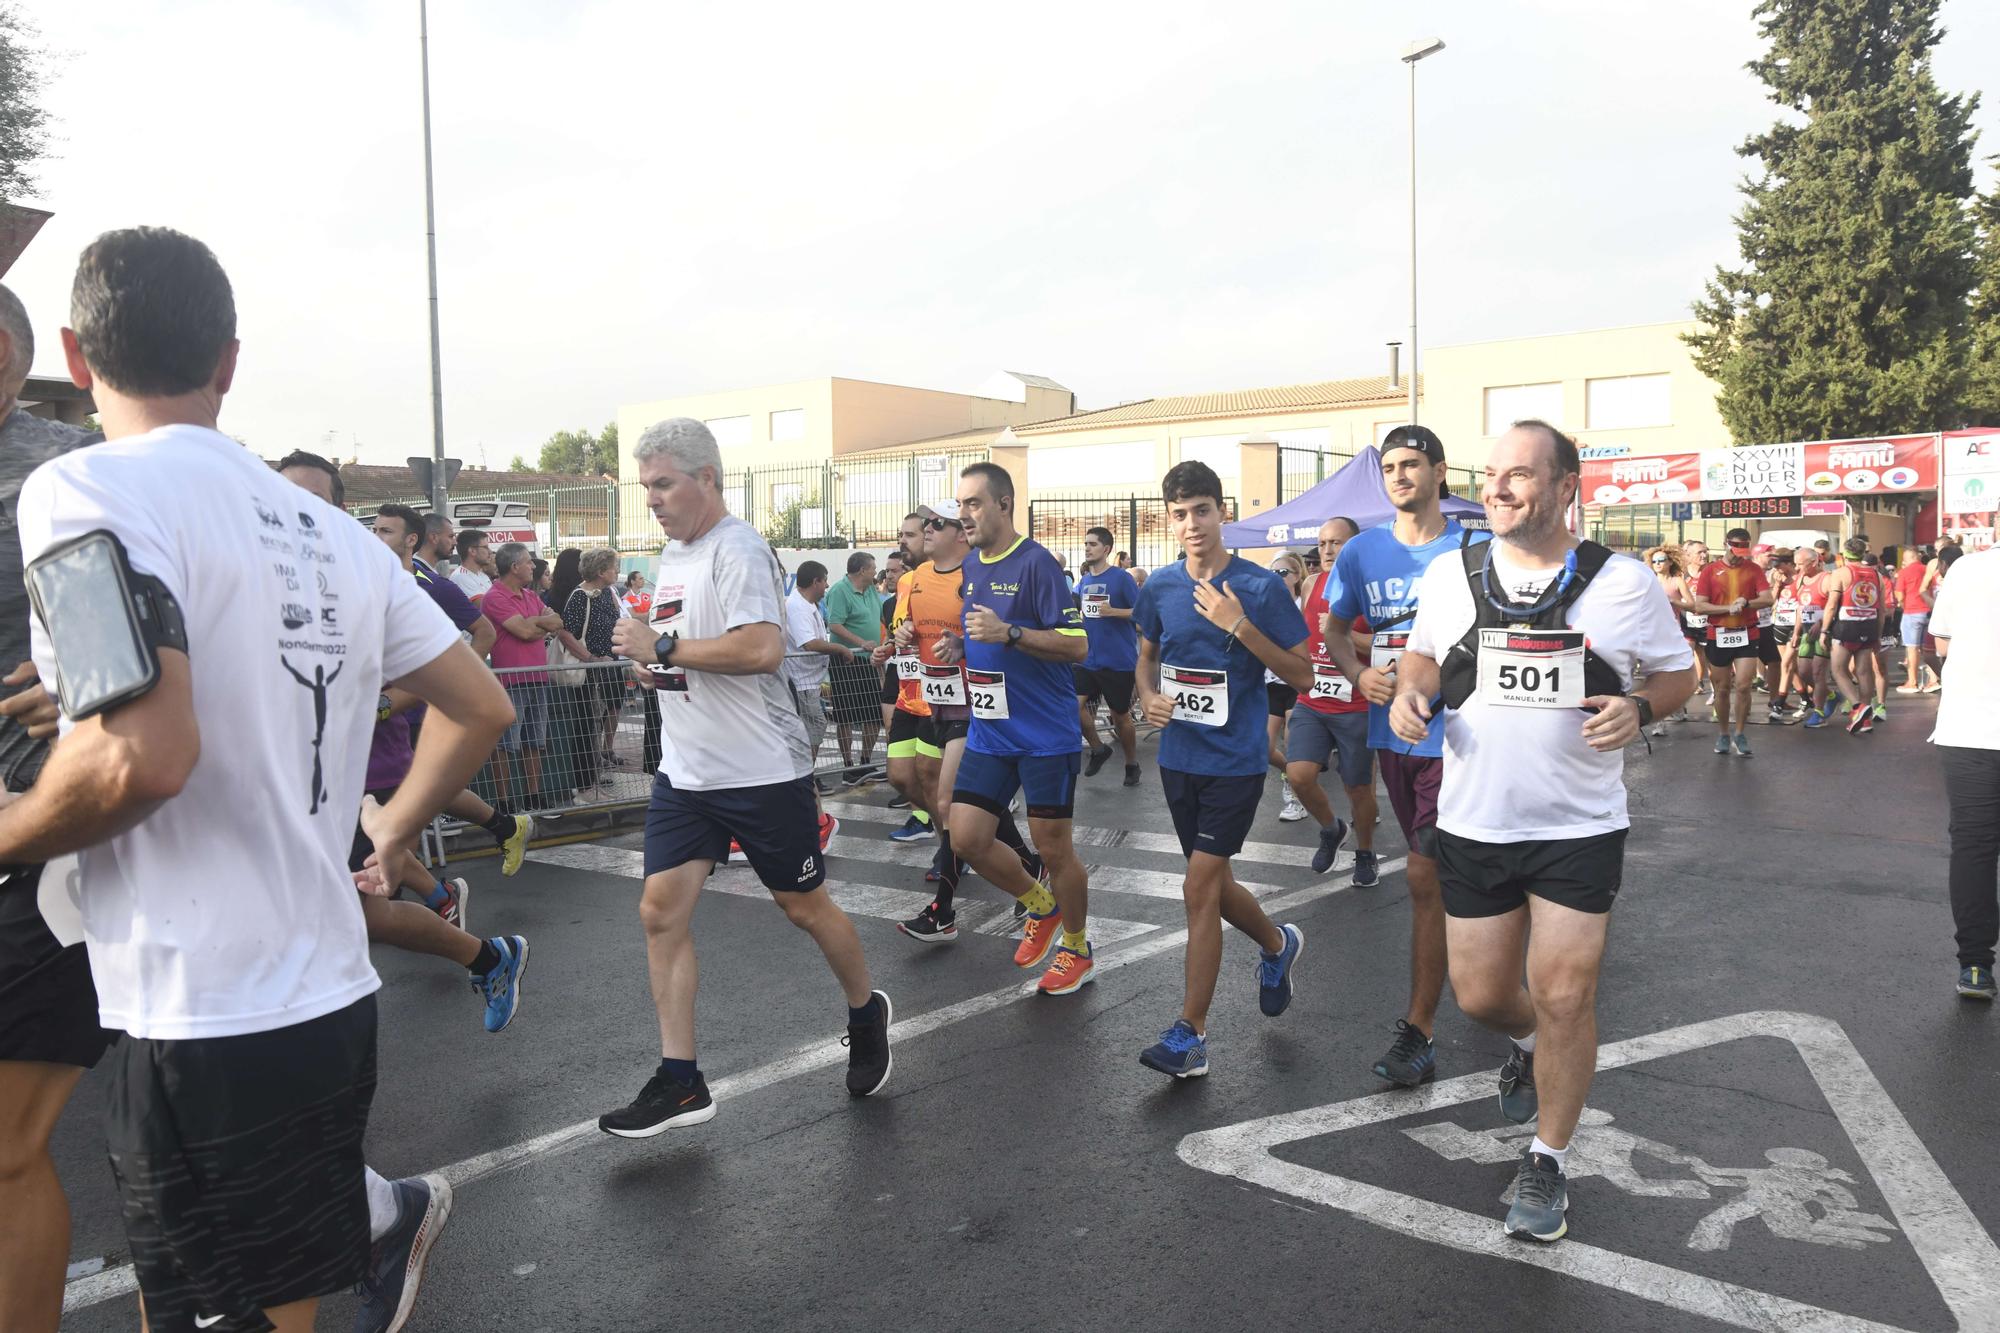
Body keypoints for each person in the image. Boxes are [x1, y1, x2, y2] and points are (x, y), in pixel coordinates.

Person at [7, 226, 515, 1332]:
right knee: (221, 1297)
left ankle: (388, 1220)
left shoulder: (76, 488)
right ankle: (389, 1220)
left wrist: (9, 826)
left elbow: (142, 755)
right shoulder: (330, 530)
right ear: (228, 361)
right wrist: (392, 838)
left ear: (76, 353)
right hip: (320, 985)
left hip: (203, 997)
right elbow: (480, 705)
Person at [1390, 420, 1696, 1241]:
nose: (1496, 487)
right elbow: (1422, 658)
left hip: (1579, 825)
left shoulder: (1625, 583)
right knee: (1484, 994)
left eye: (1519, 474)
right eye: (1491, 473)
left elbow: (1681, 674)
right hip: (1476, 820)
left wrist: (1639, 708)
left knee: (1566, 994)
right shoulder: (1452, 572)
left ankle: (1549, 1158)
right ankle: (1527, 1042)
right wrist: (1407, 693)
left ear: (1566, 488)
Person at [600, 419, 890, 1136]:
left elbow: (761, 650)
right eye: (646, 488)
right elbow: (691, 650)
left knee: (804, 908)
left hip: (760, 772)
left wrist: (664, 643)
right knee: (660, 912)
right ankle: (680, 1079)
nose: (654, 501)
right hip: (687, 773)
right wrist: (654, 662)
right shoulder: (673, 553)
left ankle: (866, 1011)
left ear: (707, 478)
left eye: (664, 484)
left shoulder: (740, 548)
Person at [0, 282, 111, 1333]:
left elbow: (152, 652)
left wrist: (79, 680)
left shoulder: (61, 476)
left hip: (47, 850)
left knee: (6, 1146)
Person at [1319, 424, 1489, 1088]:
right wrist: (1359, 674)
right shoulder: (1360, 553)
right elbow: (1336, 628)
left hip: (1464, 737)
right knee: (1448, 875)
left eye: (1412, 463)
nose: (1399, 475)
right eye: (1390, 466)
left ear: (1439, 471)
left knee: (1425, 874)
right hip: (1394, 736)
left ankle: (1419, 1028)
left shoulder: (1472, 547)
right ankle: (1492, 971)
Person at [1132, 461, 1314, 1077]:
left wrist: (1238, 625)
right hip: (1179, 759)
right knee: (1212, 884)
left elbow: (1302, 674)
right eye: (1180, 514)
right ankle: (1276, 943)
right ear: (1169, 519)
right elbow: (1147, 655)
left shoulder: (1260, 589)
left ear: (1222, 512)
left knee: (1196, 888)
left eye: (1202, 510)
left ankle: (1191, 1034)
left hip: (1237, 761)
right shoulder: (1159, 586)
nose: (1192, 524)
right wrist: (1147, 696)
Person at [949, 462, 1095, 994]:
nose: (964, 514)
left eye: (974, 503)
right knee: (965, 836)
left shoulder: (1037, 565)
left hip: (1043, 735)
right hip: (991, 729)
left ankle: (1077, 947)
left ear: (1004, 505)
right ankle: (1043, 904)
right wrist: (964, 645)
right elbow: (984, 631)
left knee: (1053, 847)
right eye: (960, 503)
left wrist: (1009, 632)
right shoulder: (971, 564)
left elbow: (1077, 645)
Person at [891, 500, 1045, 942]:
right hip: (932, 698)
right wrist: (901, 635)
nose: (926, 530)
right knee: (970, 805)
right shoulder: (915, 578)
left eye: (936, 524)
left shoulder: (980, 574)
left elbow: (1008, 632)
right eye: (926, 525)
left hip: (976, 705)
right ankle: (1029, 864)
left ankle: (942, 911)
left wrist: (972, 643)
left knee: (948, 806)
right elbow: (909, 627)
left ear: (960, 532)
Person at [1287, 517, 1381, 883]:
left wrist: (1344, 635)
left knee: (1358, 787)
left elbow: (1384, 647)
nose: (1327, 551)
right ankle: (1331, 828)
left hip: (1356, 704)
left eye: (1336, 543)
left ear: (1354, 547)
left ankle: (1366, 852)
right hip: (1313, 699)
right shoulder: (1312, 584)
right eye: (1323, 543)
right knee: (1299, 775)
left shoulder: (1369, 590)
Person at [1925, 544, 1999, 999]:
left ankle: (1975, 965)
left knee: (1974, 846)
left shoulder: (1968, 567)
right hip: (1969, 727)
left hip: (1969, 725)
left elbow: (1941, 644)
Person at [485, 541, 581, 810]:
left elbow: (556, 621)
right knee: (506, 744)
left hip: (538, 678)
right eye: (528, 562)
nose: (533, 566)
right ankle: (504, 801)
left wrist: (535, 625)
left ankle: (533, 795)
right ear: (514, 567)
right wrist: (540, 625)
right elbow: (526, 632)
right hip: (510, 681)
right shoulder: (495, 597)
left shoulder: (530, 595)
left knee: (535, 741)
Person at [870, 514, 939, 838]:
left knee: (931, 775)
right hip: (908, 693)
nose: (902, 541)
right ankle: (946, 830)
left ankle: (952, 843)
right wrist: (887, 648)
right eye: (902, 534)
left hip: (940, 696)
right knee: (899, 776)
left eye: (909, 535)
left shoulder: (955, 577)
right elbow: (901, 633)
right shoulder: (905, 583)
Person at [1690, 529, 1772, 757]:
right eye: (1735, 549)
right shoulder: (1710, 571)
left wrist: (1746, 602)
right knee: (1722, 689)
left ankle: (1740, 732)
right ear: (1726, 544)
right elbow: (1700, 606)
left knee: (1744, 685)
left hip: (1747, 633)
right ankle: (1724, 733)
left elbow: (1768, 599)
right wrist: (1728, 608)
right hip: (1718, 634)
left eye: (1743, 550)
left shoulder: (1753, 569)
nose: (1739, 555)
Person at [1073, 524, 1142, 786]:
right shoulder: (1085, 580)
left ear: (1106, 548)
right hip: (1089, 659)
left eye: (1092, 544)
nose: (1087, 548)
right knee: (1072, 705)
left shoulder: (1121, 578)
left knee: (1120, 716)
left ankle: (1132, 764)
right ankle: (1099, 748)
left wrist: (1114, 612)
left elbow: (1142, 613)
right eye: (1086, 544)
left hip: (1117, 660)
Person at [783, 559, 852, 789]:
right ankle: (804, 777)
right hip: (800, 680)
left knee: (811, 728)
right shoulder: (797, 606)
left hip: (809, 679)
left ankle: (805, 775)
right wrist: (840, 648)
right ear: (815, 582)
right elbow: (809, 643)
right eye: (824, 581)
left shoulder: (808, 605)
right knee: (814, 727)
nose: (826, 585)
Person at [563, 547, 627, 788]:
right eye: (614, 567)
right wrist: (590, 658)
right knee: (589, 723)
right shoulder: (581, 596)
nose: (617, 571)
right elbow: (565, 633)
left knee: (609, 712)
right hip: (591, 670)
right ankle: (588, 779)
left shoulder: (608, 592)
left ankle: (600, 765)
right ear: (601, 571)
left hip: (611, 665)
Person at [823, 550, 886, 785]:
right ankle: (848, 766)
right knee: (846, 715)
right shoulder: (840, 590)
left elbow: (879, 618)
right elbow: (835, 625)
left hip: (869, 660)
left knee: (872, 713)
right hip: (847, 660)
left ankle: (865, 762)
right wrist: (862, 644)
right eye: (873, 567)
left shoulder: (870, 590)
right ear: (862, 570)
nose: (875, 571)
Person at [1820, 536, 1888, 734]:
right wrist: (1878, 635)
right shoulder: (1877, 575)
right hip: (1869, 625)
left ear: (1844, 553)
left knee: (1838, 670)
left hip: (1846, 626)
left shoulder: (1841, 573)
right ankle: (1865, 721)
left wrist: (1824, 630)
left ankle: (1858, 707)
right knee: (1864, 672)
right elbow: (1882, 610)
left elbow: (1832, 605)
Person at [1265, 552, 1308, 821]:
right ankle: (1290, 775)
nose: (1277, 578)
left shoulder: (1305, 604)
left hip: (1297, 683)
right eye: (1273, 573)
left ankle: (1296, 796)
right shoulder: (1264, 606)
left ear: (1297, 576)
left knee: (1292, 742)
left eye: (1283, 573)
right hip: (1270, 683)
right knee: (1263, 748)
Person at [1642, 545, 1695, 733]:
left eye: (1661, 560)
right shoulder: (1649, 581)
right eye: (1654, 561)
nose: (1657, 564)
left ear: (1670, 562)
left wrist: (1673, 602)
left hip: (1674, 633)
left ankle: (1677, 706)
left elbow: (1692, 605)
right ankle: (1659, 722)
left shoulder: (1677, 581)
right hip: (1652, 632)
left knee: (1673, 673)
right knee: (1655, 676)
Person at [1895, 545, 1939, 694]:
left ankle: (1912, 682)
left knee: (1912, 648)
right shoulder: (1928, 569)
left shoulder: (1904, 572)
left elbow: (1899, 594)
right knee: (1929, 649)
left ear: (1908, 558)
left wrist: (1903, 605)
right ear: (1918, 557)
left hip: (1911, 612)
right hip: (1929, 612)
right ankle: (1933, 680)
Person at [450, 529, 496, 603]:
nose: (490, 551)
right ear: (472, 551)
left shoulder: (482, 575)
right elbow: (486, 608)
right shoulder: (461, 577)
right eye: (485, 547)